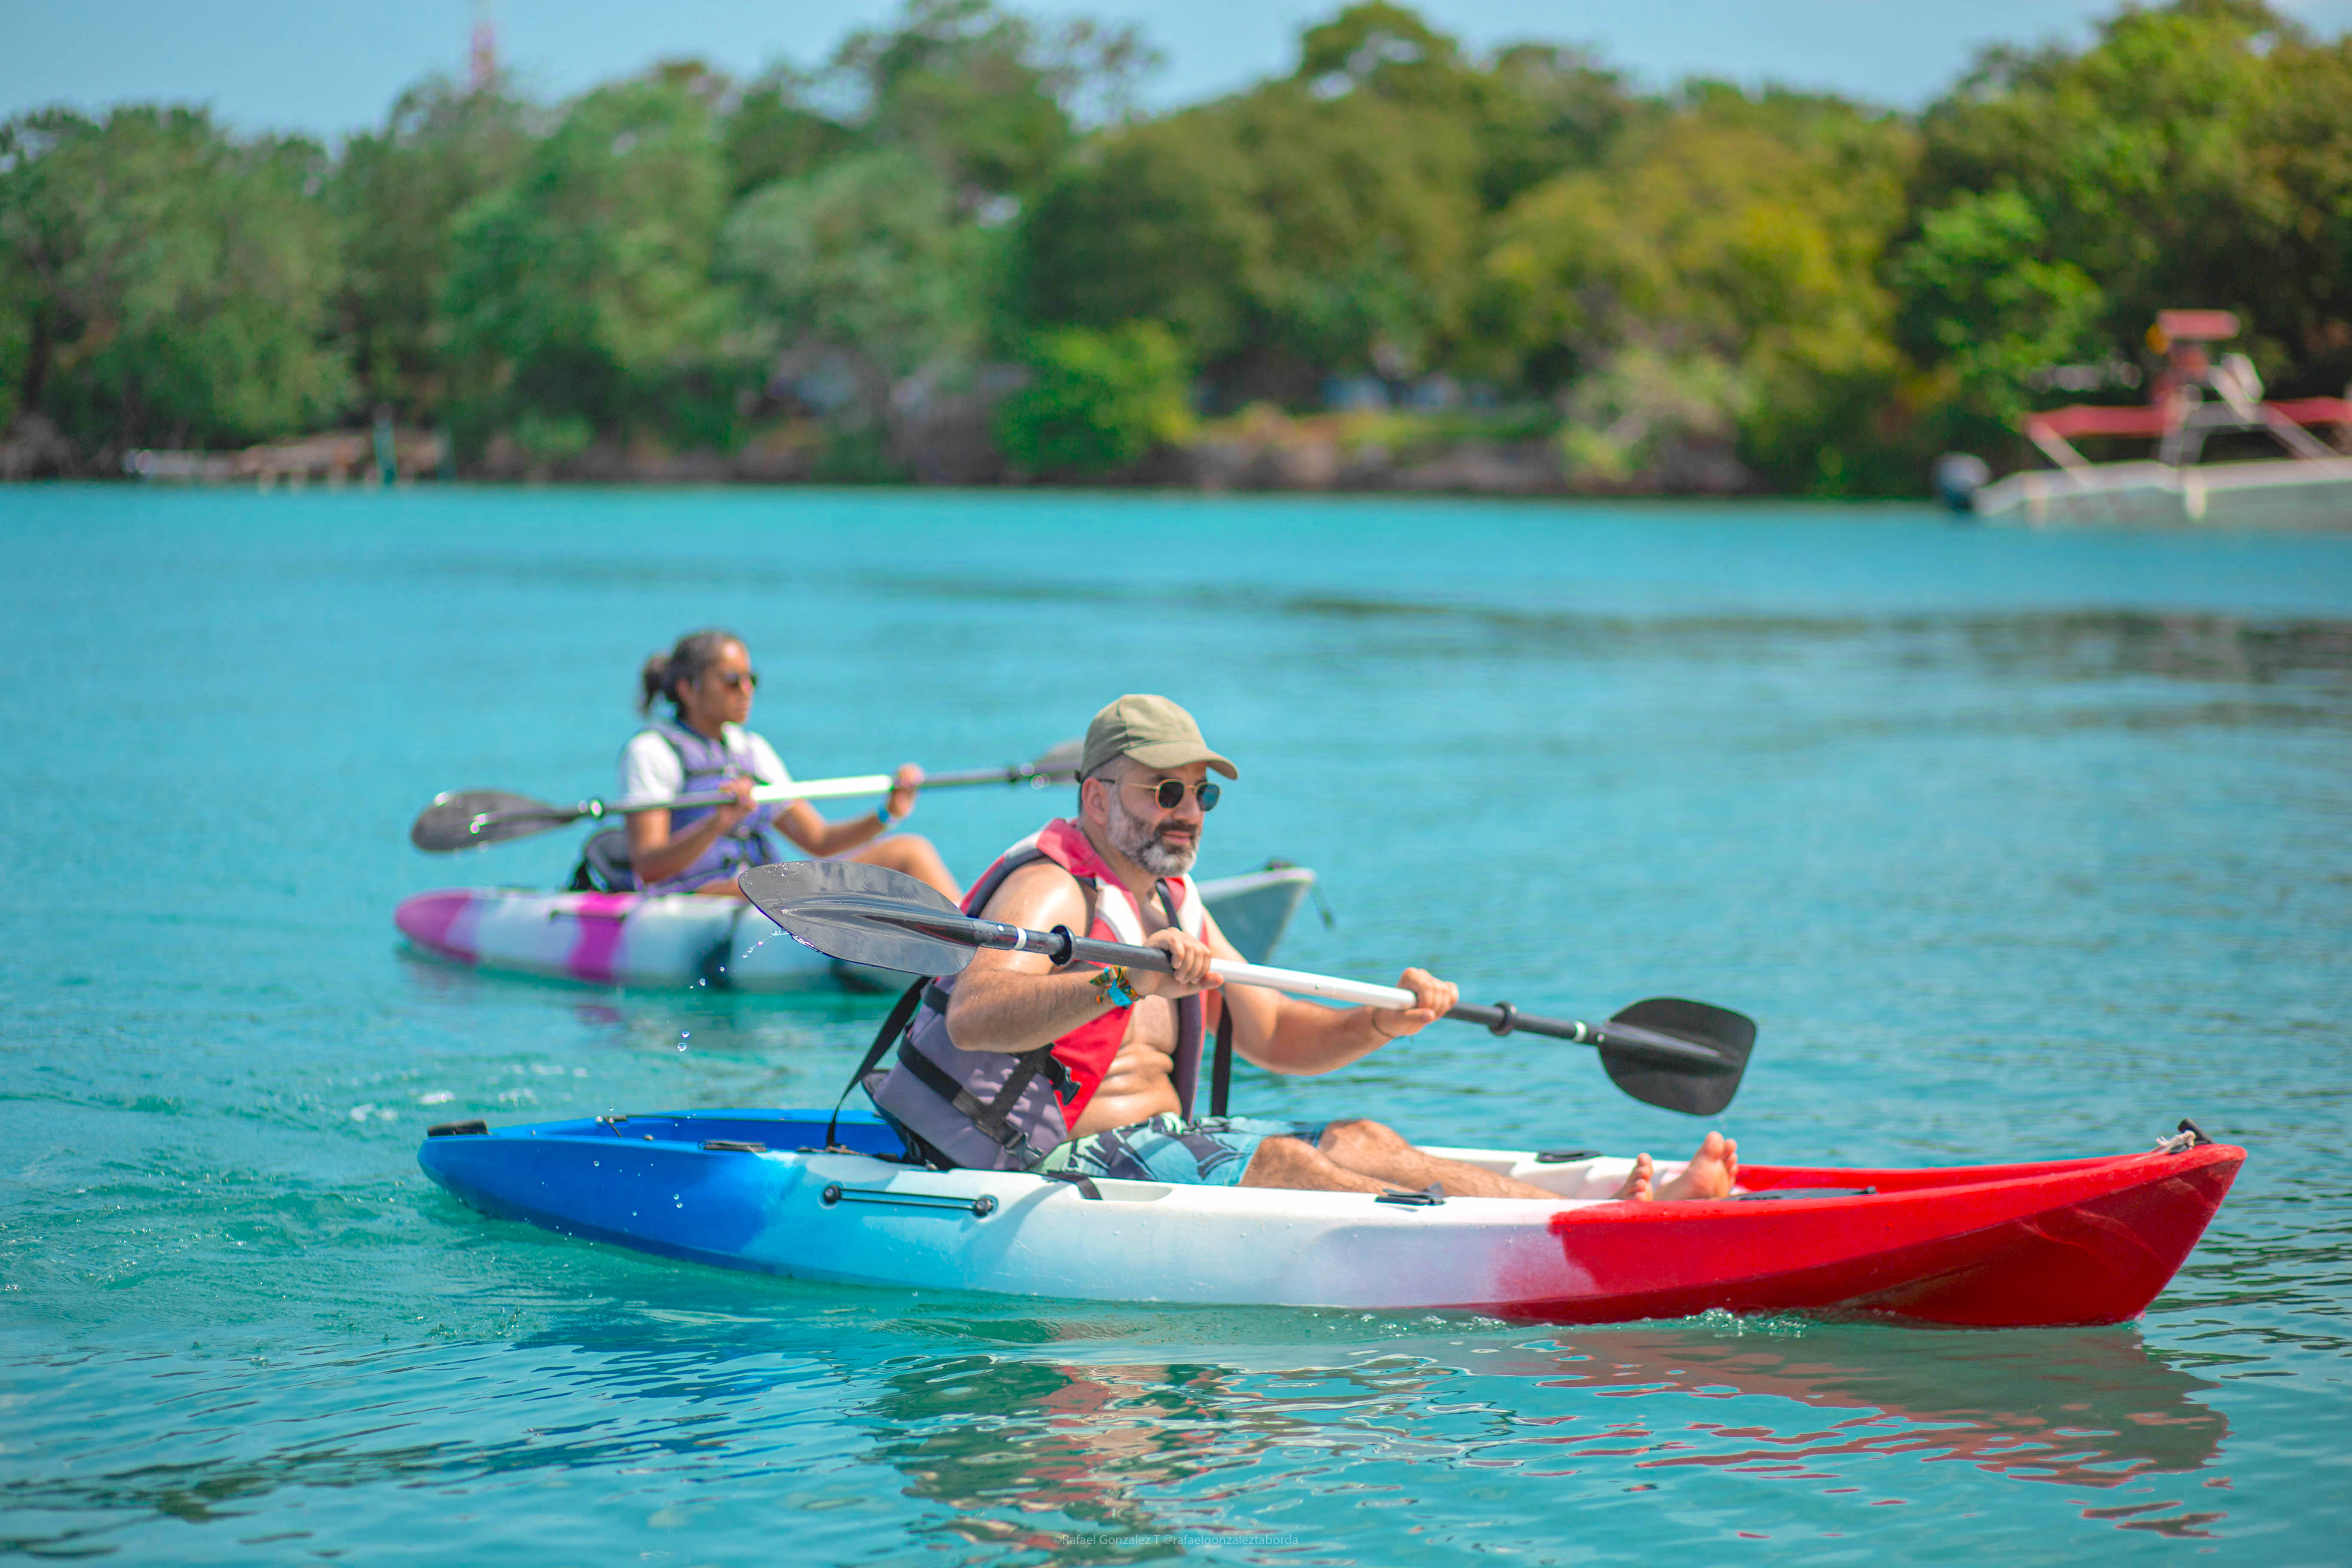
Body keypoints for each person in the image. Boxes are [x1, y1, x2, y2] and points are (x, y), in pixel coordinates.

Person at [864, 694, 1735, 1200]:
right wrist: (1121, 988)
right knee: (1285, 1162)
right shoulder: (1053, 888)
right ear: (1096, 801)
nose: (1188, 811)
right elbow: (976, 1018)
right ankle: (1584, 1235)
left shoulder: (1173, 899)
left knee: (1361, 1134)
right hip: (1047, 1163)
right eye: (1165, 790)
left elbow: (1279, 1037)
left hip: (1167, 1140)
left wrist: (1381, 1025)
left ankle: (1592, 1222)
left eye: (1202, 795)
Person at [620, 629, 960, 901]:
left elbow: (819, 840)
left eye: (751, 679)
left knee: (911, 852)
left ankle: (976, 954)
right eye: (731, 680)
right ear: (689, 689)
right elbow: (650, 867)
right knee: (903, 856)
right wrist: (716, 824)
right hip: (694, 898)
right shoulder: (652, 752)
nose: (746, 690)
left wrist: (888, 814)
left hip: (759, 888)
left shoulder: (752, 750)